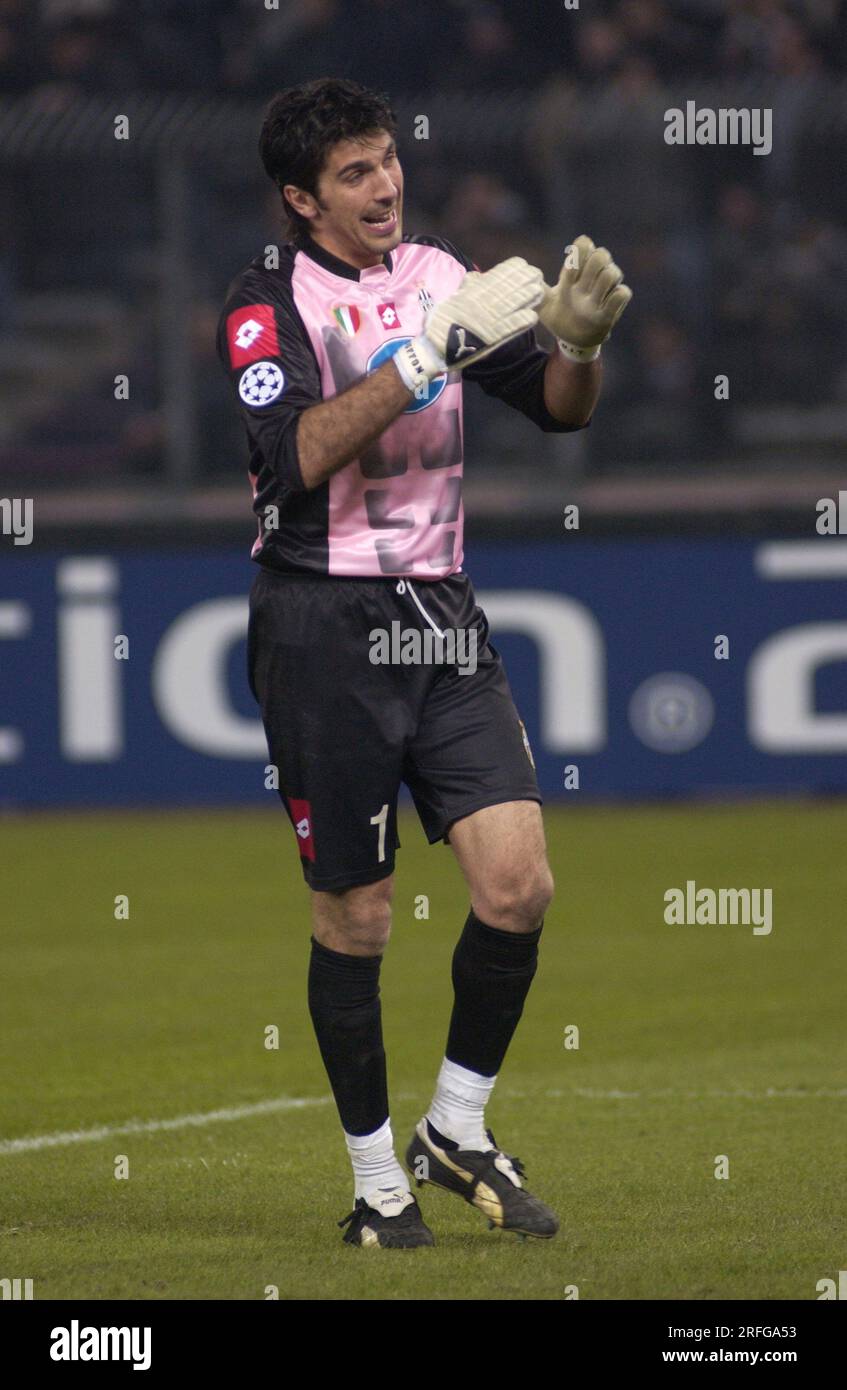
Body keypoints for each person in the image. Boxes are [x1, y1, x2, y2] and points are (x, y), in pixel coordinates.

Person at [217, 77, 631, 1249]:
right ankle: (373, 1184)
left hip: (440, 621)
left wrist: (584, 346)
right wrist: (420, 357)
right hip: (319, 629)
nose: (383, 183)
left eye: (386, 159)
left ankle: (454, 1126)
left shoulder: (445, 276)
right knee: (356, 916)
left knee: (519, 885)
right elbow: (291, 457)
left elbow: (558, 410)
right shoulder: (264, 303)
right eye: (351, 172)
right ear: (302, 199)